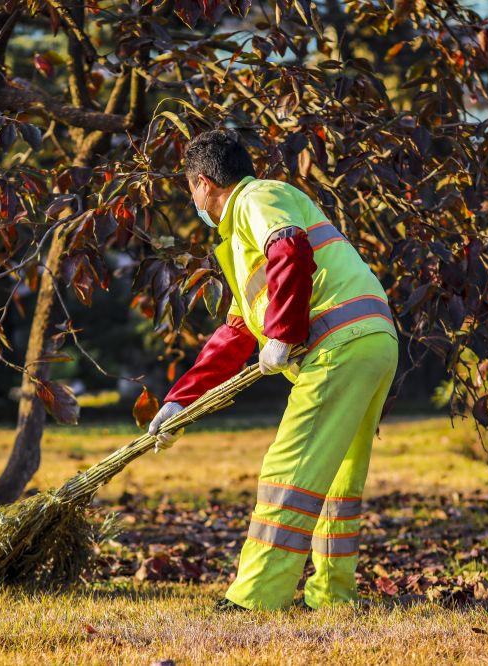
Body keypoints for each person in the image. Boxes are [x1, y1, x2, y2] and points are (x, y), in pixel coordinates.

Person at [147, 129, 399, 611]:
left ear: (203, 183)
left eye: (190, 191)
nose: (194, 202)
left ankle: (255, 600)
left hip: (337, 346)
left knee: (289, 468)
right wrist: (180, 400)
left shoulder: (257, 198)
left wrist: (283, 332)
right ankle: (332, 597)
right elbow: (239, 332)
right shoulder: (246, 237)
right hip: (371, 339)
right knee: (336, 478)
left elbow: (289, 247)